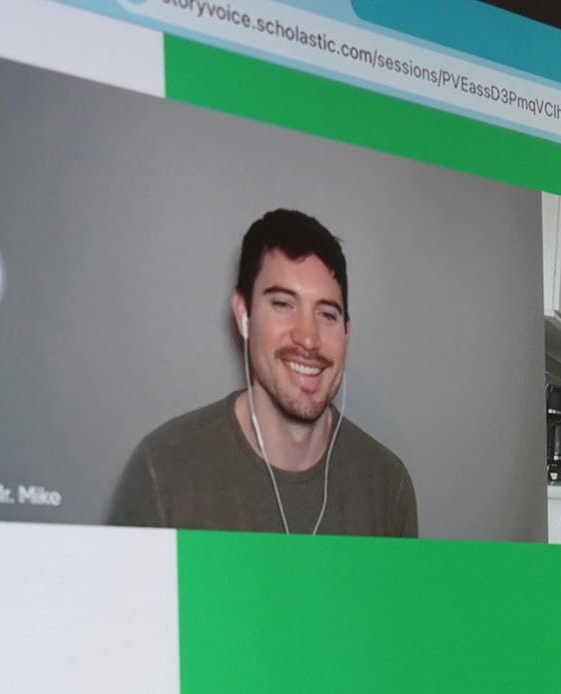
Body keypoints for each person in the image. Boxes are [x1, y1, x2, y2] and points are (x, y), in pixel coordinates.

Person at [108, 209, 417, 535]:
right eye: (283, 304)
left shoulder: (388, 486)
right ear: (244, 315)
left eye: (327, 314)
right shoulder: (162, 473)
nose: (308, 338)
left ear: (346, 333)